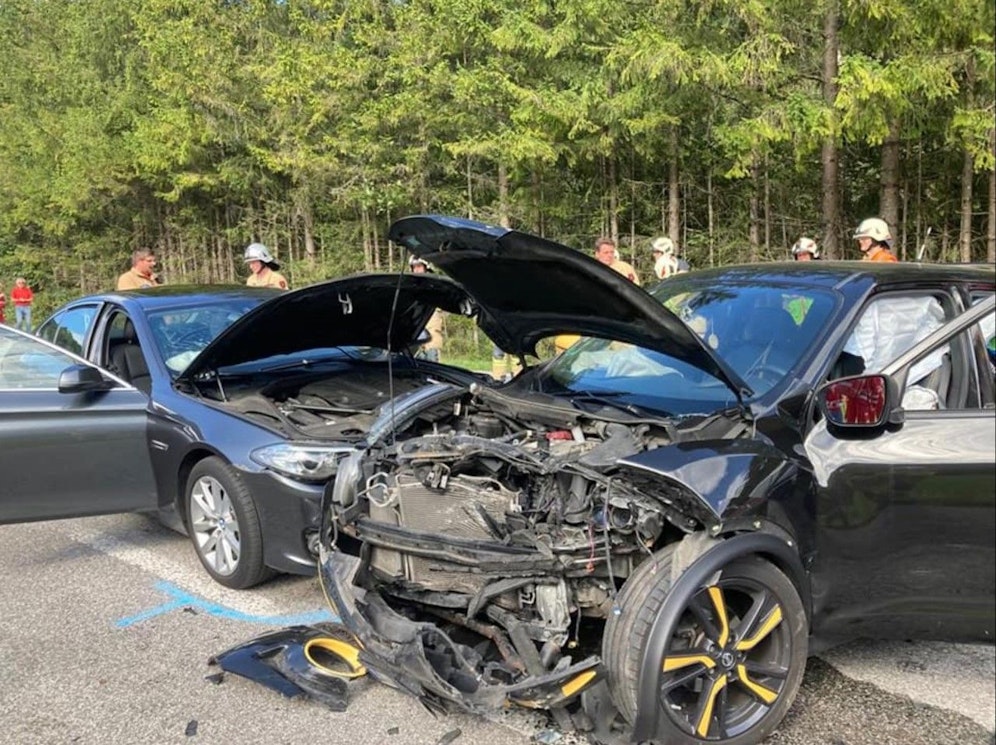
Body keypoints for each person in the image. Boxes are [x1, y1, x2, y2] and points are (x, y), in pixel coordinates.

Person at [409, 256, 444, 362]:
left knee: (432, 341)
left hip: (431, 315)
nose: (416, 270)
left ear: (426, 267)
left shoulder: (433, 282)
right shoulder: (411, 283)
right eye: (414, 267)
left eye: (419, 266)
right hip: (416, 316)